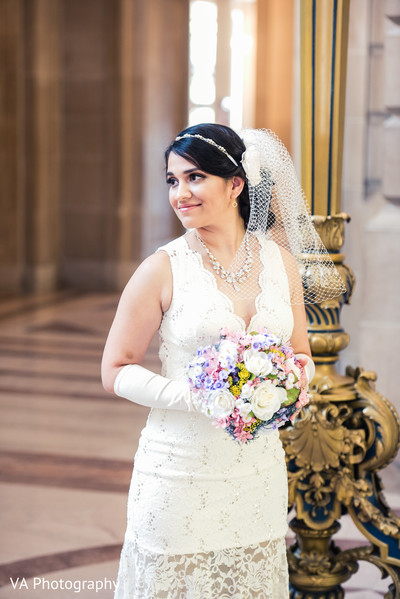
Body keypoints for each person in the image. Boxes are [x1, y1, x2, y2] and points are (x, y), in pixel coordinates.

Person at [101, 123, 344, 598]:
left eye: (194, 178)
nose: (180, 193)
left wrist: (288, 385)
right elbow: (115, 368)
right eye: (172, 180)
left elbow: (301, 355)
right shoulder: (162, 268)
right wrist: (203, 398)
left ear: (235, 184)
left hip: (256, 472)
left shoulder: (282, 263)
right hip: (179, 468)